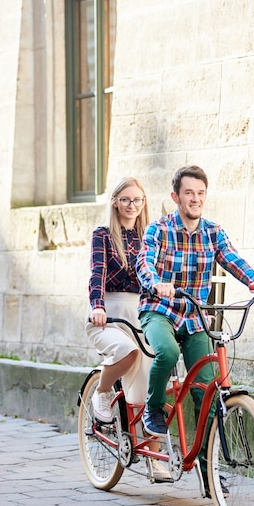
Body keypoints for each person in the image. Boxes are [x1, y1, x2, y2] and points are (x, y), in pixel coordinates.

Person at [135, 165, 254, 493]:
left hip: (195, 318)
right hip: (159, 311)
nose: (195, 199)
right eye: (189, 193)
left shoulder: (213, 232)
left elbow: (234, 261)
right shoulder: (159, 230)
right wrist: (156, 283)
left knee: (206, 391)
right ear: (176, 197)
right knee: (167, 351)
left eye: (201, 193)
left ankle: (207, 471)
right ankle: (153, 408)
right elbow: (144, 261)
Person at [85, 176, 170, 481]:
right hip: (108, 312)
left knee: (153, 385)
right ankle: (103, 392)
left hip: (143, 312)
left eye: (138, 200)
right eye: (126, 200)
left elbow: (161, 277)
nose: (132, 205)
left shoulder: (151, 236)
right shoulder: (104, 235)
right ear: (115, 202)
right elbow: (98, 273)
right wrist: (97, 305)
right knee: (126, 350)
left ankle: (156, 457)